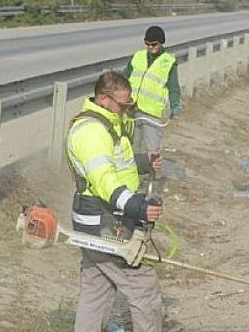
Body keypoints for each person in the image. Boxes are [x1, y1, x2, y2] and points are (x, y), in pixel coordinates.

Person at [66, 71, 165, 332]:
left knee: (96, 289)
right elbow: (103, 180)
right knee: (143, 287)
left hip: (98, 221)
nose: (126, 110)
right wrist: (137, 207)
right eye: (122, 105)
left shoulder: (110, 123)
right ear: (103, 98)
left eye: (128, 104)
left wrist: (143, 162)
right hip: (105, 223)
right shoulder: (92, 132)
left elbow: (116, 164)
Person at [123, 26, 182, 158]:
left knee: (152, 150)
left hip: (151, 114)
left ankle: (153, 176)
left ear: (161, 43)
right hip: (131, 109)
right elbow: (124, 78)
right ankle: (133, 175)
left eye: (154, 44)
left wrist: (175, 104)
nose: (150, 47)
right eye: (147, 44)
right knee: (130, 147)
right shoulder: (138, 56)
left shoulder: (168, 63)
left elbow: (174, 87)